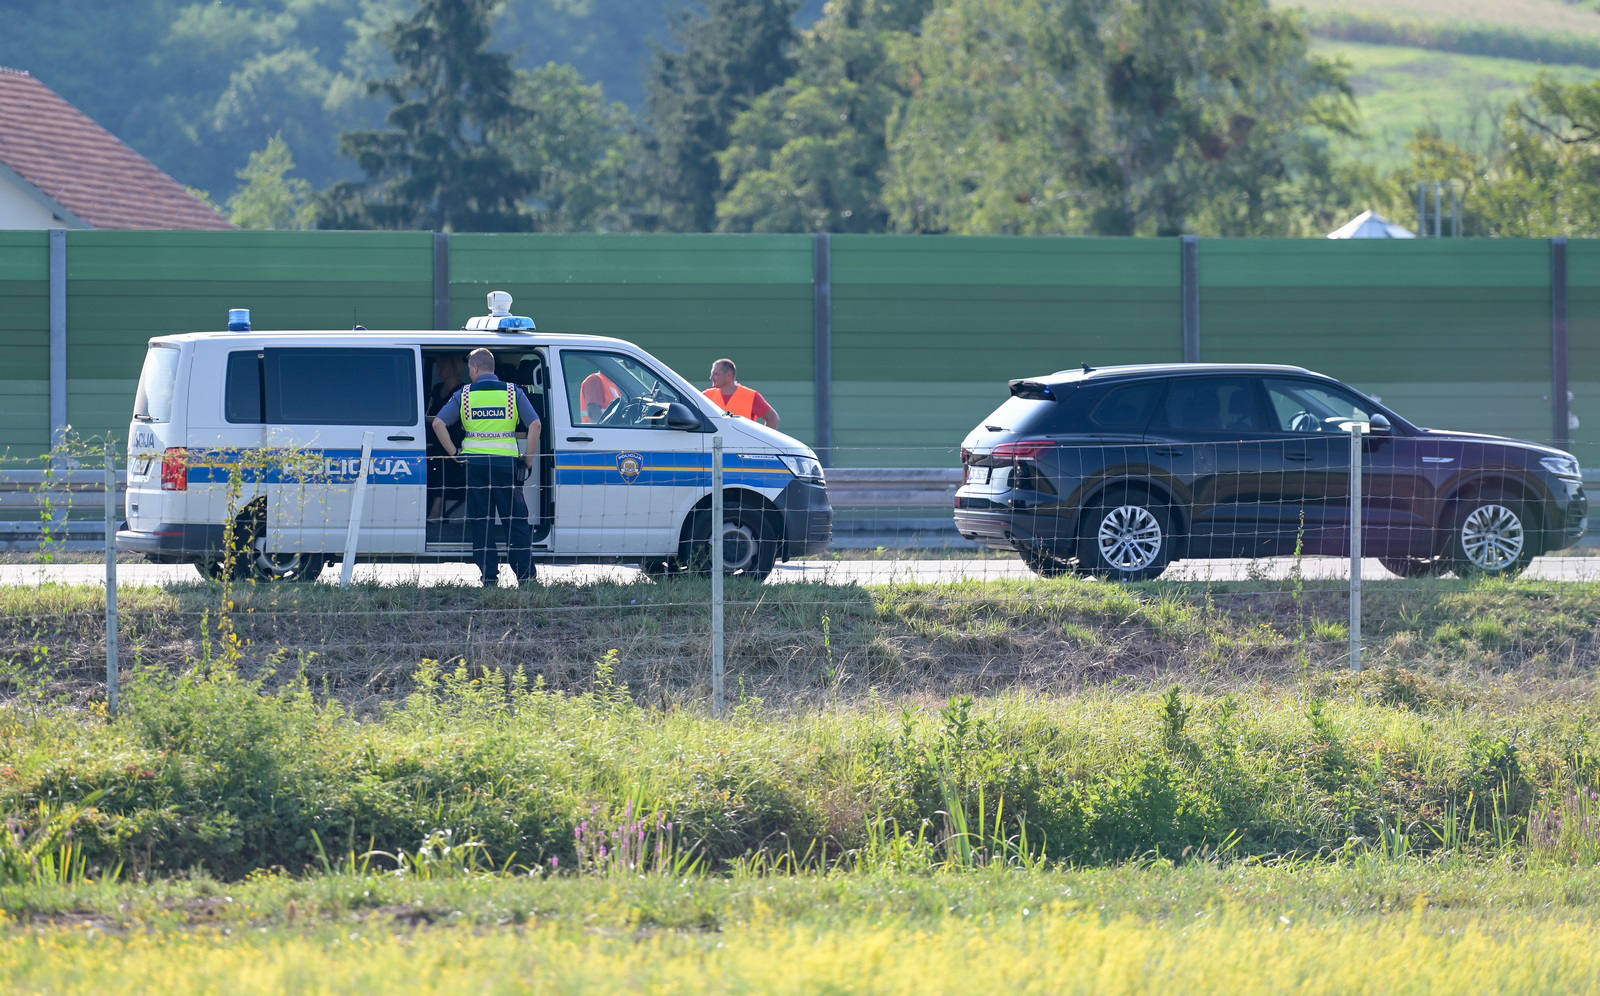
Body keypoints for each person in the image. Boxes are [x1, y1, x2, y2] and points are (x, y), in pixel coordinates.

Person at [432, 348, 541, 586]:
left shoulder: (465, 394)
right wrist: (528, 460)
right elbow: (535, 425)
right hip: (506, 465)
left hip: (475, 464)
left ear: (475, 368)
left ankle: (489, 577)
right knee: (515, 521)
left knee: (482, 521)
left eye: (469, 370)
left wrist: (454, 454)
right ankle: (526, 578)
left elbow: (439, 423)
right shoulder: (513, 393)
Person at [426, 353, 467, 520]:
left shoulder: (463, 391)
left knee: (443, 459)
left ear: (451, 367)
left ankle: (436, 510)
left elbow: (459, 418)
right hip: (434, 438)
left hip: (454, 440)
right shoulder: (437, 389)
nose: (439, 370)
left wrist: (437, 420)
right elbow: (428, 414)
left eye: (441, 366)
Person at [703, 358, 779, 429]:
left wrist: (761, 440)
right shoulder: (706, 396)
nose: (711, 377)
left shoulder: (751, 396)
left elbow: (773, 419)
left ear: (729, 375)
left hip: (743, 443)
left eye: (716, 374)